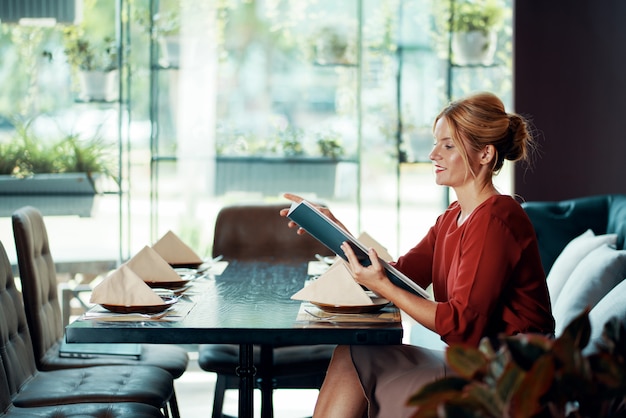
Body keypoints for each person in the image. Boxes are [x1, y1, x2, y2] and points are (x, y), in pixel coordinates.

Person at [280, 92, 555, 418]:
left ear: (485, 154)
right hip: (476, 361)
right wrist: (336, 232)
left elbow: (461, 326)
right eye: (436, 142)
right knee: (350, 353)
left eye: (448, 145)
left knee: (355, 358)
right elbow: (402, 275)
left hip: (506, 376)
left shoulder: (497, 217)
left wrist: (383, 285)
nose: (433, 153)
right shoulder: (452, 217)